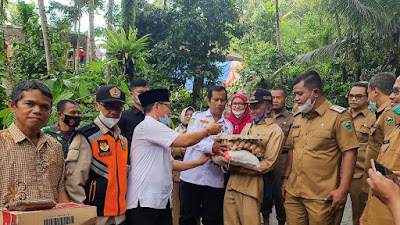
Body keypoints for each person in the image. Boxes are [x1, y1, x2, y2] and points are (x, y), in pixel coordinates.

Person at [125, 89, 223, 225]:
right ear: (157, 106)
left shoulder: (158, 131)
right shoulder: (148, 125)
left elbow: (171, 164)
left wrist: (199, 162)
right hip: (144, 201)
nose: (170, 112)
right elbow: (185, 140)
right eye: (168, 107)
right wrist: (207, 131)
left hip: (159, 201)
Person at [282, 71, 359, 225]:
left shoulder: (338, 117)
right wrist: (286, 178)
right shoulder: (298, 117)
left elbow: (350, 153)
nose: (296, 98)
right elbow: (292, 149)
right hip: (294, 193)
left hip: (322, 197)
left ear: (315, 92)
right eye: (295, 94)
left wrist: (342, 190)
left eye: (299, 94)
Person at [65, 85, 128, 225]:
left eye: (118, 107)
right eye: (108, 106)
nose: (113, 111)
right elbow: (74, 181)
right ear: (97, 106)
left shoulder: (122, 139)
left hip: (120, 216)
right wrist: (82, 215)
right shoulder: (87, 136)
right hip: (96, 217)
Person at [0, 79, 69, 206]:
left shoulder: (55, 147)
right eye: (29, 104)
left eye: (45, 107)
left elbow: (60, 191)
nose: (37, 111)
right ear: (12, 106)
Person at [223, 88, 284, 225]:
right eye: (250, 107)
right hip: (232, 183)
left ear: (268, 109)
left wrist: (240, 170)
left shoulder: (275, 132)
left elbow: (268, 164)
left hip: (251, 187)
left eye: (256, 107)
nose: (251, 110)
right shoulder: (248, 126)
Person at [179, 85, 233, 225]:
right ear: (209, 101)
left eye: (222, 100)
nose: (219, 103)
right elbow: (192, 140)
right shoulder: (197, 117)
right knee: (187, 218)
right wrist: (211, 147)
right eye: (216, 99)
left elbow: (227, 149)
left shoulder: (228, 126)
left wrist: (224, 160)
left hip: (214, 180)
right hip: (192, 177)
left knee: (212, 220)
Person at [360, 76, 400, 225]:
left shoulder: (390, 116)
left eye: (397, 91)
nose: (391, 96)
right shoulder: (395, 130)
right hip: (379, 206)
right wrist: (367, 211)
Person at [344, 82, 376, 225]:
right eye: (351, 96)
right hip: (337, 172)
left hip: (359, 174)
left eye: (358, 96)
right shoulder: (341, 116)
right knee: (329, 211)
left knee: (359, 214)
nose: (353, 99)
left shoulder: (373, 118)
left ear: (367, 98)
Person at [261, 86, 294, 225]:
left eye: (278, 97)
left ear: (285, 99)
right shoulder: (264, 117)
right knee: (265, 195)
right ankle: (266, 221)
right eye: (272, 97)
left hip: (282, 160)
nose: (275, 100)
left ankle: (281, 221)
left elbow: (293, 146)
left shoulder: (292, 118)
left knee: (281, 196)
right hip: (265, 158)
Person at [362, 72, 397, 193]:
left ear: (375, 92)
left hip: (385, 181)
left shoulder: (390, 114)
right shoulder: (381, 113)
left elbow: (391, 151)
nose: (368, 99)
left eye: (368, 93)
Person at [171, 106, 195, 225]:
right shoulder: (175, 132)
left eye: (191, 115)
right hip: (178, 175)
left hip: (194, 174)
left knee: (193, 205)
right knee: (177, 204)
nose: (189, 117)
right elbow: (169, 150)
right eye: (187, 115)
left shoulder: (197, 132)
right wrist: (180, 150)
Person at [118, 79, 149, 151]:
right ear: (132, 95)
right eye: (140, 92)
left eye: (147, 93)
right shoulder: (124, 116)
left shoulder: (153, 116)